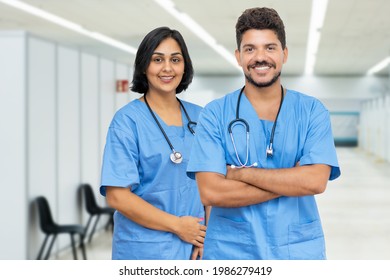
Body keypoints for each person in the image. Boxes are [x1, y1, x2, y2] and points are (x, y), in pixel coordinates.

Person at [187, 7, 341, 260]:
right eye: (250, 49)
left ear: (284, 54)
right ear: (238, 56)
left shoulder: (312, 111)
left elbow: (315, 182)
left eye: (270, 48)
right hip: (232, 251)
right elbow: (211, 192)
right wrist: (293, 180)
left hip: (296, 249)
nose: (260, 57)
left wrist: (240, 174)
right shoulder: (214, 114)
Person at [100, 26, 206, 260]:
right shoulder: (127, 121)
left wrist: (207, 235)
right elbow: (117, 195)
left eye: (175, 59)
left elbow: (213, 182)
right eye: (157, 59)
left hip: (194, 248)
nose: (167, 68)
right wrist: (178, 226)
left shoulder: (201, 118)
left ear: (184, 66)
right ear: (144, 66)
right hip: (144, 250)